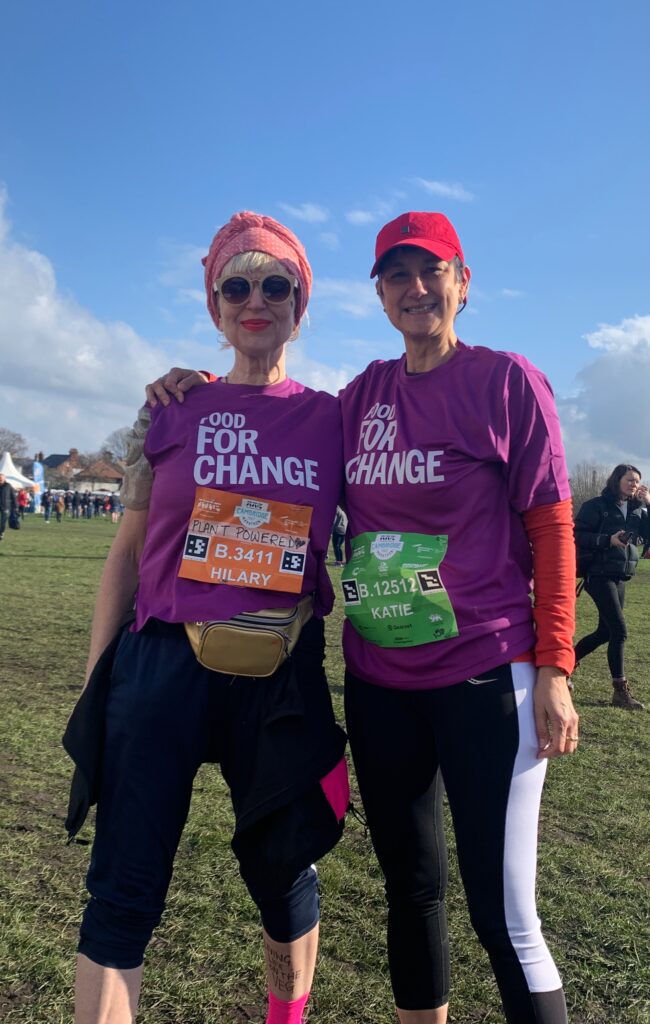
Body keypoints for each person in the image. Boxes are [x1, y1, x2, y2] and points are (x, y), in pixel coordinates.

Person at [148, 211, 579, 1024]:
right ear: (379, 295)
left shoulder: (505, 381)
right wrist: (198, 389)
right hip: (381, 678)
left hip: (487, 672)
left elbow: (552, 528)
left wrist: (555, 668)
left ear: (463, 281)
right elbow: (273, 412)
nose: (416, 289)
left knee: (503, 913)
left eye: (433, 271)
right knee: (410, 887)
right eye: (397, 276)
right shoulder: (361, 399)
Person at [63, 211, 348, 1024]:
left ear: (302, 302)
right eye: (236, 284)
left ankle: (284, 1018)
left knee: (285, 870)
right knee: (122, 886)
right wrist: (99, 680)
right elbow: (125, 554)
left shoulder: (334, 417)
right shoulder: (170, 409)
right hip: (161, 669)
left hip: (281, 672)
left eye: (276, 284)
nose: (255, 300)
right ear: (214, 304)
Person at [574, 464, 647, 710]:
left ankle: (567, 662)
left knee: (605, 632)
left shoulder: (637, 510)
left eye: (637, 481)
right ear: (616, 480)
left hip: (620, 576)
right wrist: (607, 540)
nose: (634, 484)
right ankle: (620, 691)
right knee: (620, 631)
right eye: (629, 479)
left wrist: (648, 504)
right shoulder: (596, 506)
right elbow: (577, 535)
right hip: (598, 574)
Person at [0, 472, 17, 539]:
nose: (0, 480)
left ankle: (1, 533)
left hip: (5, 506)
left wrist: (16, 506)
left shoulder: (8, 486)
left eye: (1, 478)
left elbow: (13, 496)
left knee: (3, 521)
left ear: (4, 479)